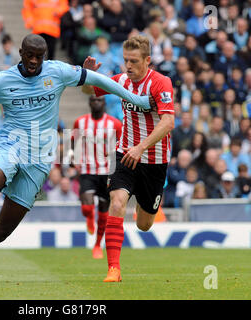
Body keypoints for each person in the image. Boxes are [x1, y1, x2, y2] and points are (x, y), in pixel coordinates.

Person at [0, 34, 154, 275]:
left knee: (3, 230)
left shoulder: (57, 72)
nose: (35, 61)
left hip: (39, 160)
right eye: (30, 55)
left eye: (39, 56)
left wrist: (137, 100)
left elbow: (100, 80)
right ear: (20, 53)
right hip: (10, 146)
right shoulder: (2, 81)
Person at [82, 35, 175, 282]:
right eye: (125, 60)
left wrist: (142, 147)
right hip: (125, 154)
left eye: (134, 61)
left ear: (147, 60)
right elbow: (89, 90)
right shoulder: (121, 80)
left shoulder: (161, 83)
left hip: (154, 161)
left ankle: (145, 206)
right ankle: (114, 268)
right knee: (117, 202)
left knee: (145, 225)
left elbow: (168, 122)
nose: (129, 66)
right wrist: (86, 76)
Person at [71, 94, 122, 259]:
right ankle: (88, 217)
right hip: (87, 170)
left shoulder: (114, 124)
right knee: (87, 207)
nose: (96, 102)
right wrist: (73, 157)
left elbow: (122, 144)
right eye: (93, 100)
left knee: (103, 211)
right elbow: (73, 141)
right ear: (89, 103)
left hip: (107, 172)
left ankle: (97, 245)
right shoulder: (81, 122)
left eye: (99, 100)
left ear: (104, 103)